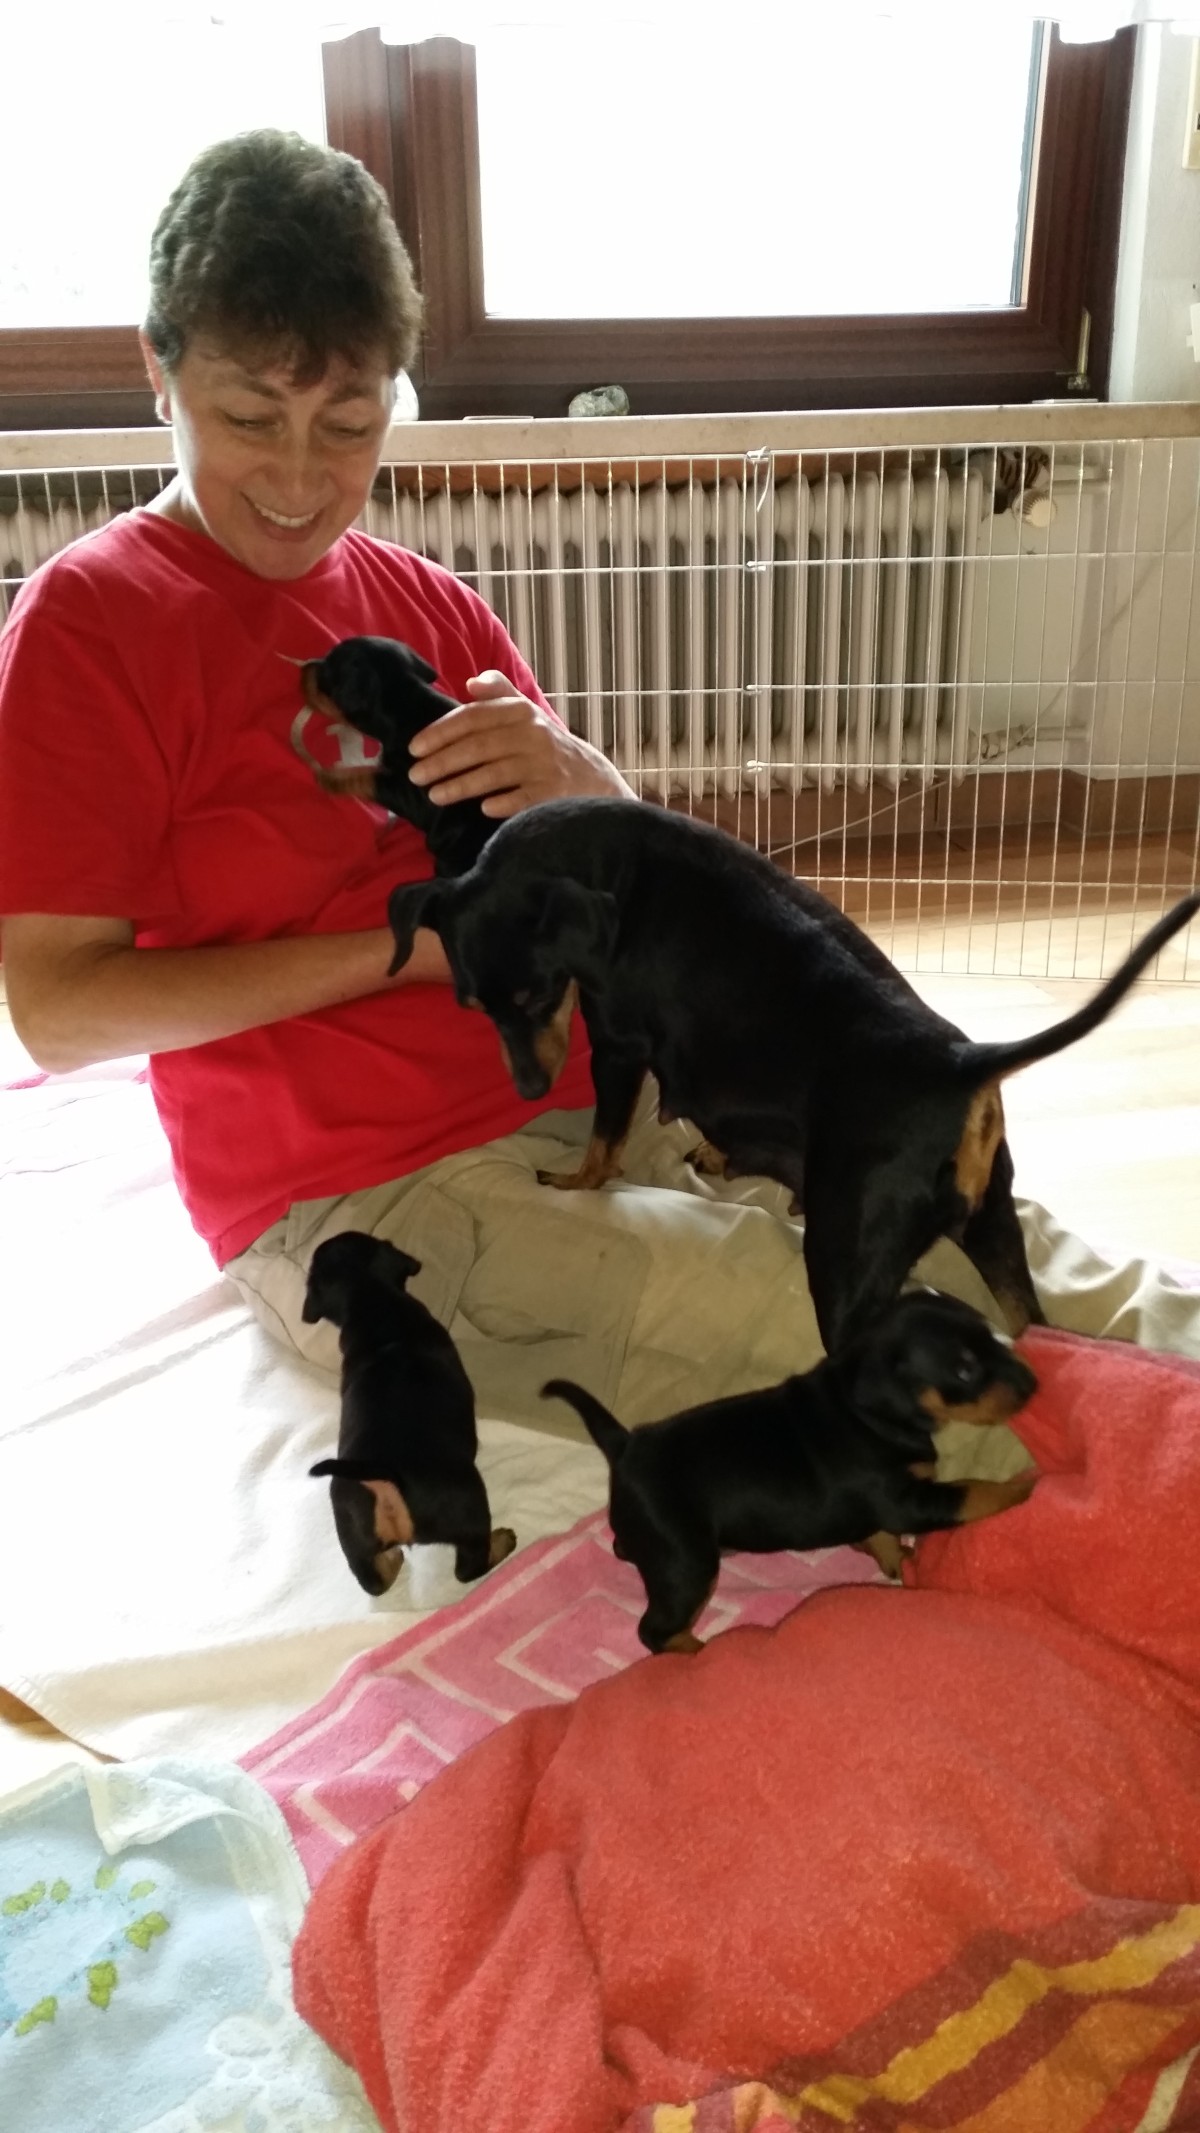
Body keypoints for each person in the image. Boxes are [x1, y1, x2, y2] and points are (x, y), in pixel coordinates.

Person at [0, 132, 1192, 1468]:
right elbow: (59, 1010)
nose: (297, 478)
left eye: (347, 426)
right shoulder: (92, 620)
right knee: (919, 1373)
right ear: (157, 371)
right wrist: (417, 952)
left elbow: (653, 886)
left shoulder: (424, 603)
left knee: (1032, 1254)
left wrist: (585, 781)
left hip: (635, 1104)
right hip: (374, 1190)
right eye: (248, 421)